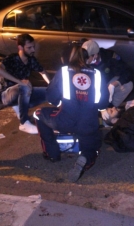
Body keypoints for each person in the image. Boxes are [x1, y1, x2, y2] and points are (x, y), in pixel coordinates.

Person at [34, 45, 109, 182]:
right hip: (88, 124)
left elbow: (51, 97)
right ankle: (85, 157)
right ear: (89, 58)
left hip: (64, 121)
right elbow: (103, 104)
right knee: (92, 148)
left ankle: (52, 154)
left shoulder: (63, 72)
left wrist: (62, 103)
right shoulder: (97, 74)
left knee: (39, 114)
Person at [0, 33, 50, 134]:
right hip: (6, 95)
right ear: (20, 47)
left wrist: (51, 86)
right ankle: (24, 123)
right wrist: (19, 81)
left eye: (33, 47)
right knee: (25, 86)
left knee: (49, 91)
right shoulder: (12, 58)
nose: (33, 50)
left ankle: (63, 115)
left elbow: (42, 72)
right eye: (29, 47)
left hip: (23, 94)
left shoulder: (31, 59)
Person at [81, 40, 134, 120]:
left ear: (95, 55)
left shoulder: (109, 56)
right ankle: (99, 110)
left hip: (106, 83)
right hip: (91, 87)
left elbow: (129, 72)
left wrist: (114, 84)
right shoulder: (81, 60)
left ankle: (110, 108)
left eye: (87, 57)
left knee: (128, 85)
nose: (85, 60)